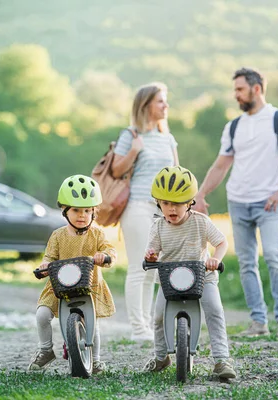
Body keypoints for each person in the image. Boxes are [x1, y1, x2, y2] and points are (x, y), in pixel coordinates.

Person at [193, 67, 278, 337]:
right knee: (247, 263)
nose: (236, 95)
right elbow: (221, 166)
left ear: (256, 89)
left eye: (240, 89)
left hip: (269, 203)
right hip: (238, 202)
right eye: (235, 90)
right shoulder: (233, 126)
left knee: (273, 255)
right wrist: (200, 195)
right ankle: (259, 322)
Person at [142, 166, 236, 379]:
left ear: (190, 203)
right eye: (166, 203)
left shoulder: (200, 221)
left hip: (203, 277)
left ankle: (222, 360)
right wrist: (150, 257)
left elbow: (221, 242)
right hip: (169, 279)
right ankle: (161, 357)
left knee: (214, 309)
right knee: (157, 316)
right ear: (158, 203)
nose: (171, 209)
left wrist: (215, 259)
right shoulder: (157, 227)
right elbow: (152, 252)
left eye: (177, 204)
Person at [28, 174, 117, 374]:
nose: (82, 215)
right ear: (65, 210)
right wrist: (45, 265)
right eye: (76, 210)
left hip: (89, 285)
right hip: (59, 286)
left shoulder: (97, 234)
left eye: (87, 210)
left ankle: (95, 360)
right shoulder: (58, 236)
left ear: (94, 212)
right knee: (42, 315)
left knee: (93, 326)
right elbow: (49, 257)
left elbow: (110, 250)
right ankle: (46, 350)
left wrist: (104, 256)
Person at [111, 82, 179, 342]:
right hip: (138, 207)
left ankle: (149, 326)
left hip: (162, 211)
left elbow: (177, 173)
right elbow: (116, 170)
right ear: (146, 105)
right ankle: (138, 329)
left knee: (154, 271)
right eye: (160, 101)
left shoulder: (168, 138)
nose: (165, 106)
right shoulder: (131, 134)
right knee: (139, 268)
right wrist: (134, 151)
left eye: (165, 101)